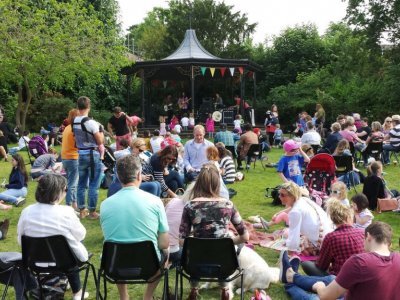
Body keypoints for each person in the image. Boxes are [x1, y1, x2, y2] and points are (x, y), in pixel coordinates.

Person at [100, 155, 169, 300]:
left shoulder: (105, 204)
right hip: (149, 264)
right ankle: (148, 297)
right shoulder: (155, 202)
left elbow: (110, 236)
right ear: (139, 175)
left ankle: (124, 296)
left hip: (113, 263)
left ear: (118, 176)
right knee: (166, 253)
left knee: (118, 248)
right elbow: (164, 243)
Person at [179, 163, 249, 300]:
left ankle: (194, 288)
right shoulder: (228, 205)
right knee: (222, 252)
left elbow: (181, 241)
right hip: (225, 263)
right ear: (218, 183)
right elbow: (245, 236)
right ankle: (225, 289)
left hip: (195, 264)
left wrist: (195, 238)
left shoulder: (189, 206)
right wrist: (228, 242)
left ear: (198, 183)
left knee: (195, 251)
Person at [279, 221, 400, 300]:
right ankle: (291, 276)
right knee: (333, 279)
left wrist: (319, 287)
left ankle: (290, 283)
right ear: (388, 242)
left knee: (314, 298)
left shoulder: (359, 262)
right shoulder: (398, 258)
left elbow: (325, 296)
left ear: (368, 236)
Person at [17, 174, 90, 300]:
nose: (65, 193)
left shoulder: (27, 211)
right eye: (65, 190)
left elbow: (20, 240)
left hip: (35, 260)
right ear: (58, 191)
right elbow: (81, 234)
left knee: (66, 245)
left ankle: (65, 283)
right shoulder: (66, 212)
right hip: (65, 262)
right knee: (74, 243)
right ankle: (77, 292)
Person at [300, 199, 364, 277]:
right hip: (363, 276)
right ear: (349, 217)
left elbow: (321, 266)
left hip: (340, 280)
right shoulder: (362, 232)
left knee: (306, 265)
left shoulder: (331, 237)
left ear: (332, 219)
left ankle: (293, 278)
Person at [278, 182, 332, 256]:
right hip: (329, 237)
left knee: (286, 234)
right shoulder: (304, 200)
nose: (279, 197)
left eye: (282, 195)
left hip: (321, 245)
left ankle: (311, 251)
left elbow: (294, 236)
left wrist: (289, 254)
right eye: (280, 194)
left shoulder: (295, 211)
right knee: (287, 233)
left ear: (292, 196)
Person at [72, 96, 104, 220]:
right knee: (94, 184)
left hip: (80, 153)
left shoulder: (74, 120)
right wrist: (100, 131)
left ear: (78, 107)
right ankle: (92, 212)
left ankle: (81, 210)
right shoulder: (90, 122)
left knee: (81, 183)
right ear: (88, 107)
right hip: (92, 154)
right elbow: (100, 141)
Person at [61, 109, 79, 209]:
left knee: (72, 183)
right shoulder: (75, 128)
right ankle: (68, 207)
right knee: (72, 184)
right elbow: (78, 144)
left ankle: (74, 204)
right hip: (73, 158)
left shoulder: (67, 127)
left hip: (65, 158)